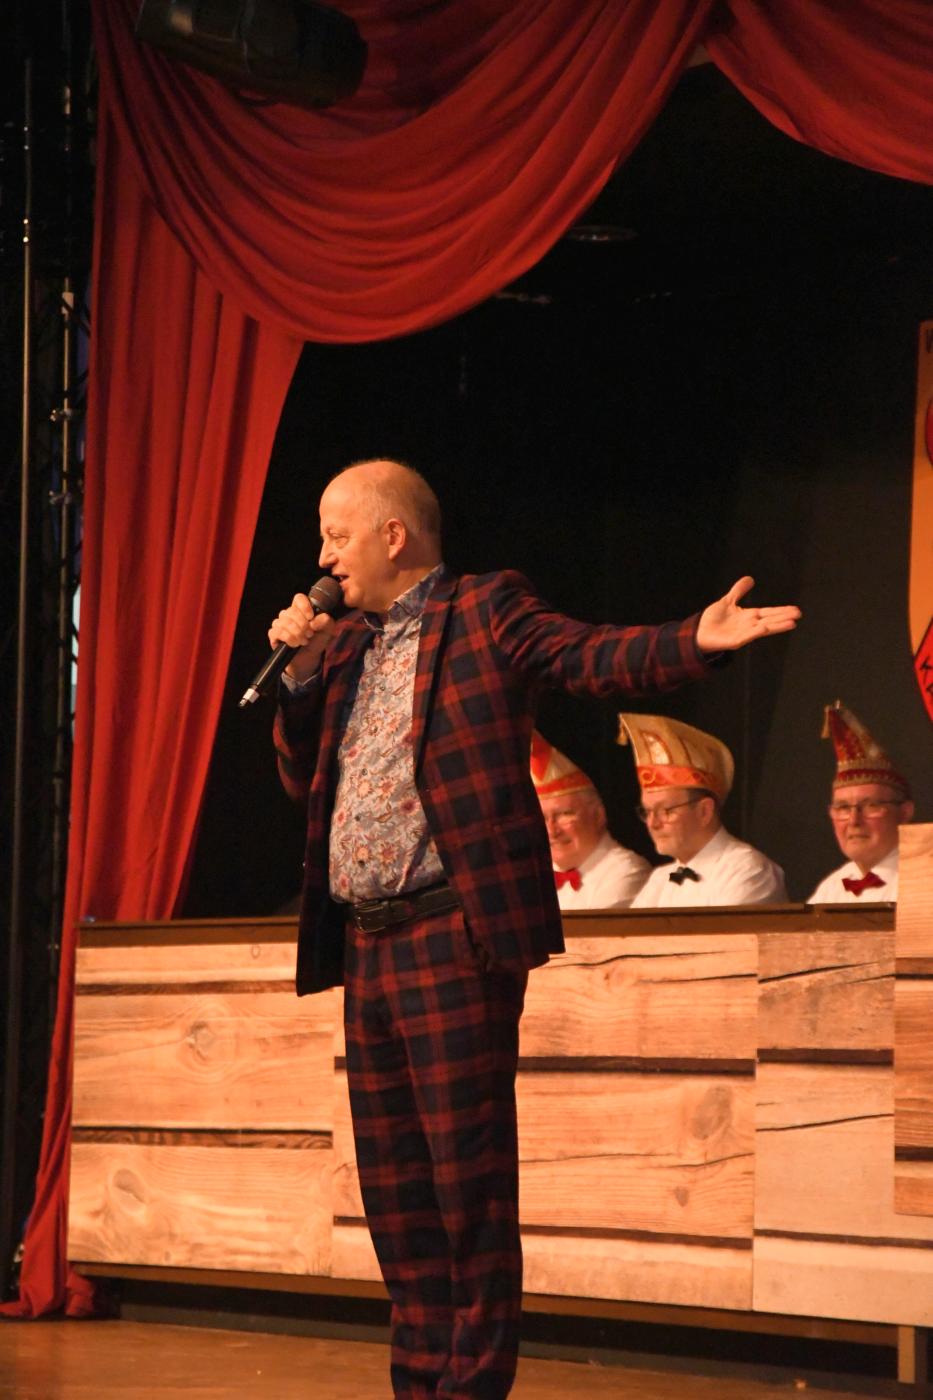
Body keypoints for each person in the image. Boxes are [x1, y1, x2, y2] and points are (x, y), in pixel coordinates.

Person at [267, 457, 800, 1400]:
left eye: (336, 535)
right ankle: (418, 1382)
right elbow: (303, 780)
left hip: (449, 932)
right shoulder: (343, 648)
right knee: (395, 1190)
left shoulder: (481, 610)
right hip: (366, 943)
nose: (324, 557)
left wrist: (696, 640)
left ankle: (471, 1385)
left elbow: (587, 656)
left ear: (394, 534)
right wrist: (300, 678)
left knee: (465, 1181)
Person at [621, 712, 787, 907]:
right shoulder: (659, 880)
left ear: (704, 812)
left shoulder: (748, 871)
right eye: (647, 812)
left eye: (666, 810)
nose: (653, 823)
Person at [809, 699, 914, 902]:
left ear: (904, 813)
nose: (854, 820)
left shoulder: (922, 881)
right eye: (843, 807)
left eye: (870, 805)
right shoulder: (831, 888)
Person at [530, 731, 649, 908]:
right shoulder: (535, 878)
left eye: (564, 814)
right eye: (542, 818)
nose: (551, 831)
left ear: (599, 816)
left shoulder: (626, 872)